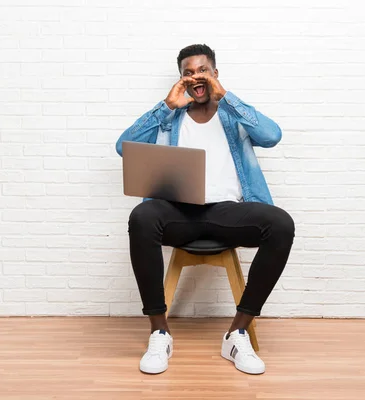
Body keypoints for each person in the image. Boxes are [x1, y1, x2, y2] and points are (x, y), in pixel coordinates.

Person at [115, 44, 295, 375]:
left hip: (228, 213)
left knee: (281, 224)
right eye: (188, 72)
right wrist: (165, 106)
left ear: (214, 74)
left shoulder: (232, 114)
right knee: (141, 216)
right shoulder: (171, 118)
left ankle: (237, 332)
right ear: (181, 79)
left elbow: (272, 136)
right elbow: (122, 147)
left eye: (202, 70)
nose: (196, 77)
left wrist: (226, 97)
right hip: (180, 213)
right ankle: (159, 331)